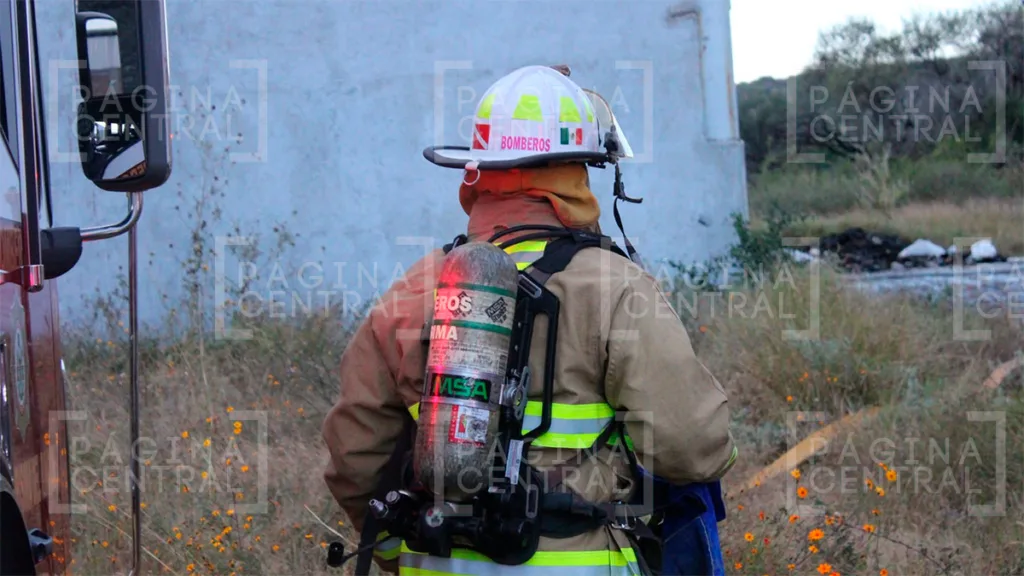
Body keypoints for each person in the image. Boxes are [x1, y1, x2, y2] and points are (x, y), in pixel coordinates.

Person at [321, 64, 737, 576]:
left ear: (478, 175)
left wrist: (393, 552)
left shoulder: (416, 289)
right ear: (575, 174)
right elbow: (690, 448)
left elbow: (354, 451)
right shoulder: (618, 288)